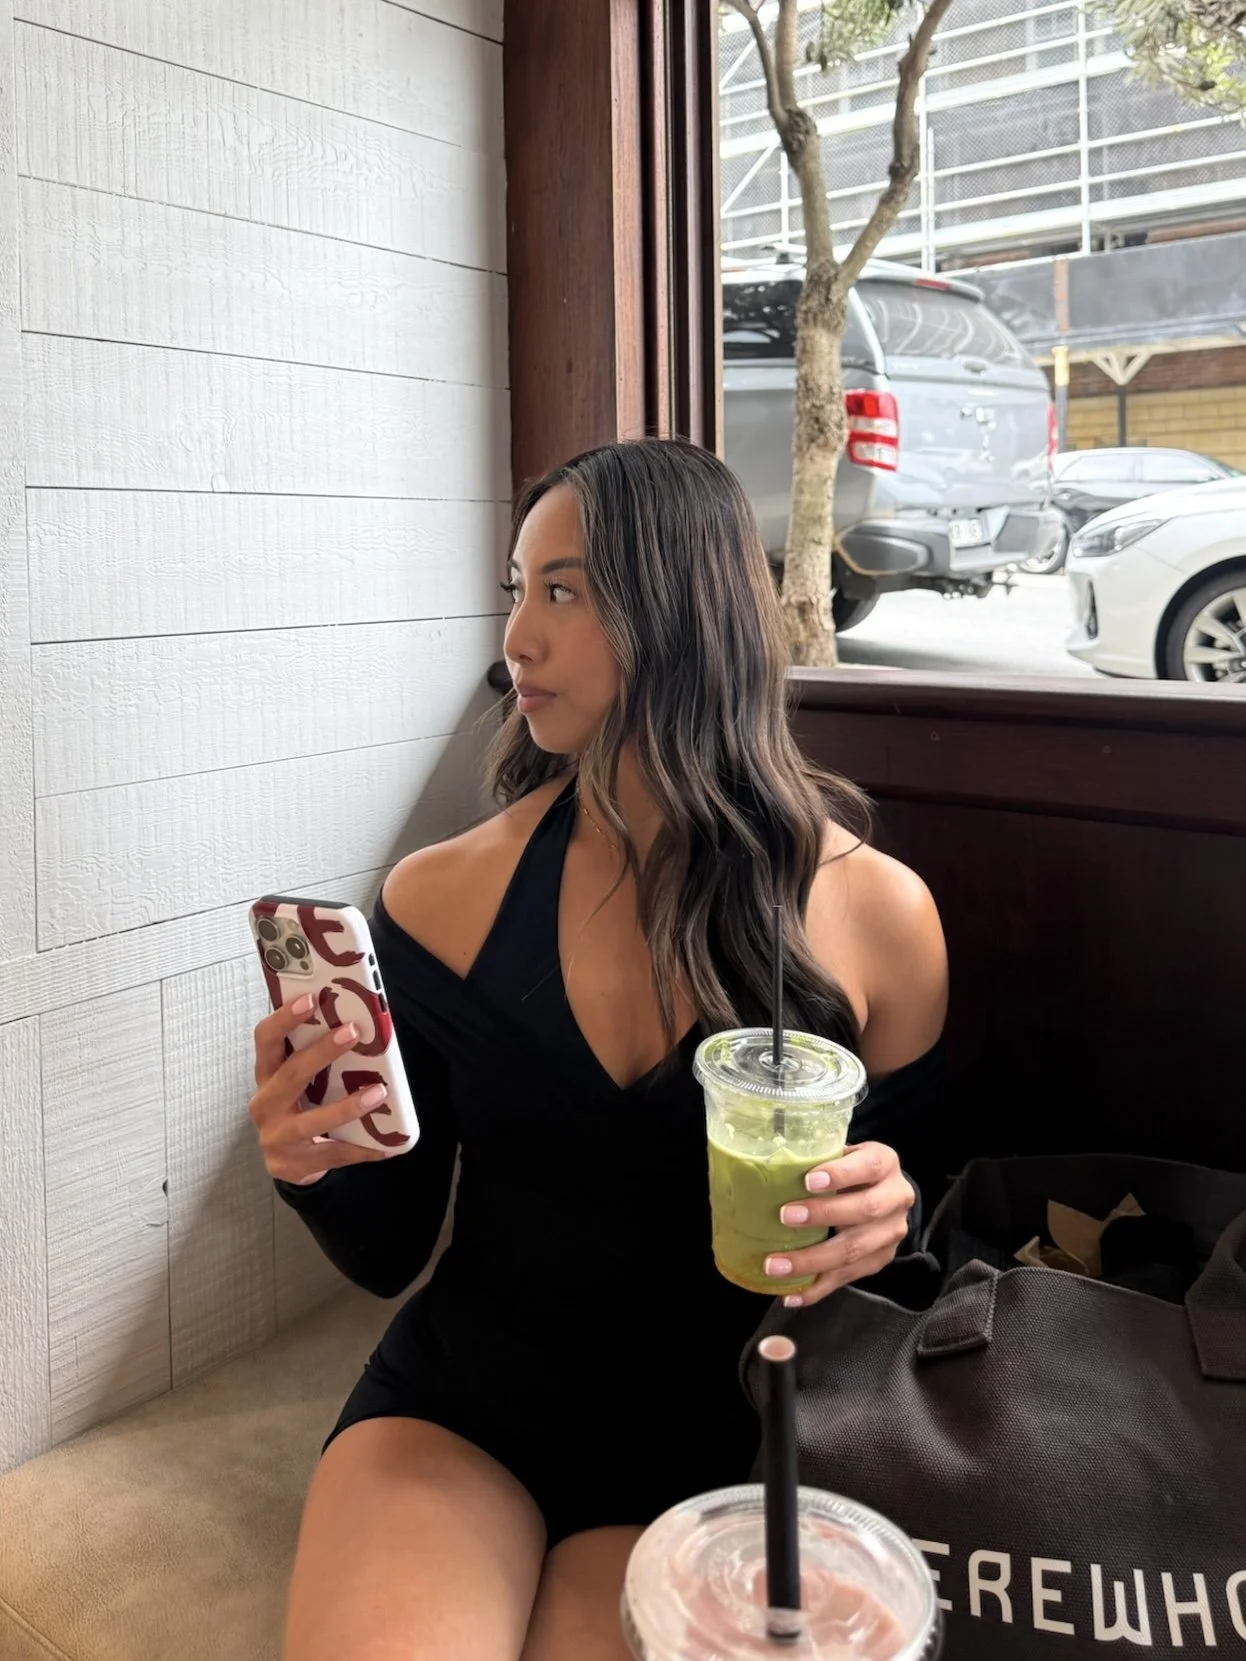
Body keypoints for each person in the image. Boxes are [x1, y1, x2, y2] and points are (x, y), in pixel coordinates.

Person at [249, 439, 948, 1661]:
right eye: (516, 590)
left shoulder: (881, 919)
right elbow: (388, 1247)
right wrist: (313, 1161)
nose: (517, 637)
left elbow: (915, 1245)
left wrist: (887, 1216)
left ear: (685, 609)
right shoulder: (438, 896)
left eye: (562, 592)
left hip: (722, 1441)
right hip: (463, 1415)